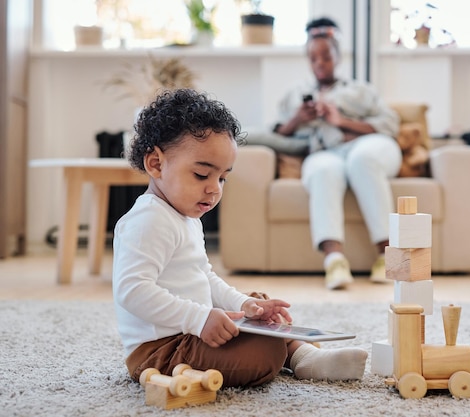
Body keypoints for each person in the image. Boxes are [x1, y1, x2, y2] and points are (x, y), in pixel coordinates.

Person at [112, 88, 368, 388]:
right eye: (201, 175)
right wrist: (199, 318)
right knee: (264, 351)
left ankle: (304, 356)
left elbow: (203, 277)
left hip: (191, 330)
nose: (214, 189)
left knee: (260, 310)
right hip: (161, 351)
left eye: (222, 177)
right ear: (155, 164)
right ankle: (290, 355)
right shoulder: (148, 219)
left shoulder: (184, 216)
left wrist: (243, 305)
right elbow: (132, 290)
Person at [273, 17, 402, 290]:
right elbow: (279, 133)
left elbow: (390, 125)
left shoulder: (360, 90)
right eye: (313, 58)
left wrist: (340, 120)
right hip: (325, 152)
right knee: (322, 170)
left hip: (369, 145)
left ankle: (389, 257)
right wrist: (297, 118)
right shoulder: (296, 95)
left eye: (326, 56)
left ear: (337, 57)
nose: (320, 63)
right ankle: (334, 261)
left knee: (362, 160)